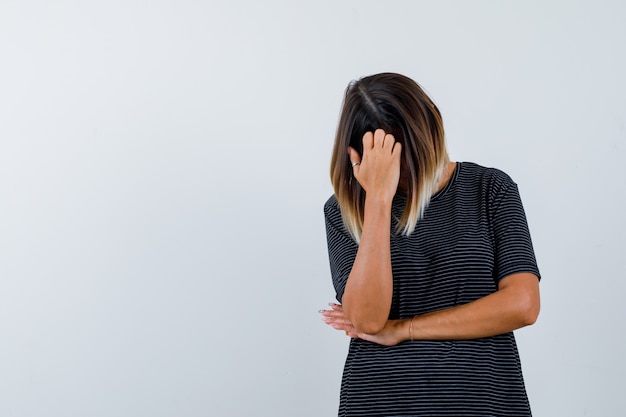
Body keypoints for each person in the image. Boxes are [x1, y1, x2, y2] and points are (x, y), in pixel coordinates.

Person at [320, 72, 541, 416]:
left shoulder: (490, 190)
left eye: (406, 154)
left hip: (483, 401)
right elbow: (366, 320)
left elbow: (523, 305)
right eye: (387, 160)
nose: (403, 169)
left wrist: (405, 329)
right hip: (382, 401)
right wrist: (377, 200)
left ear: (431, 125)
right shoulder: (344, 210)